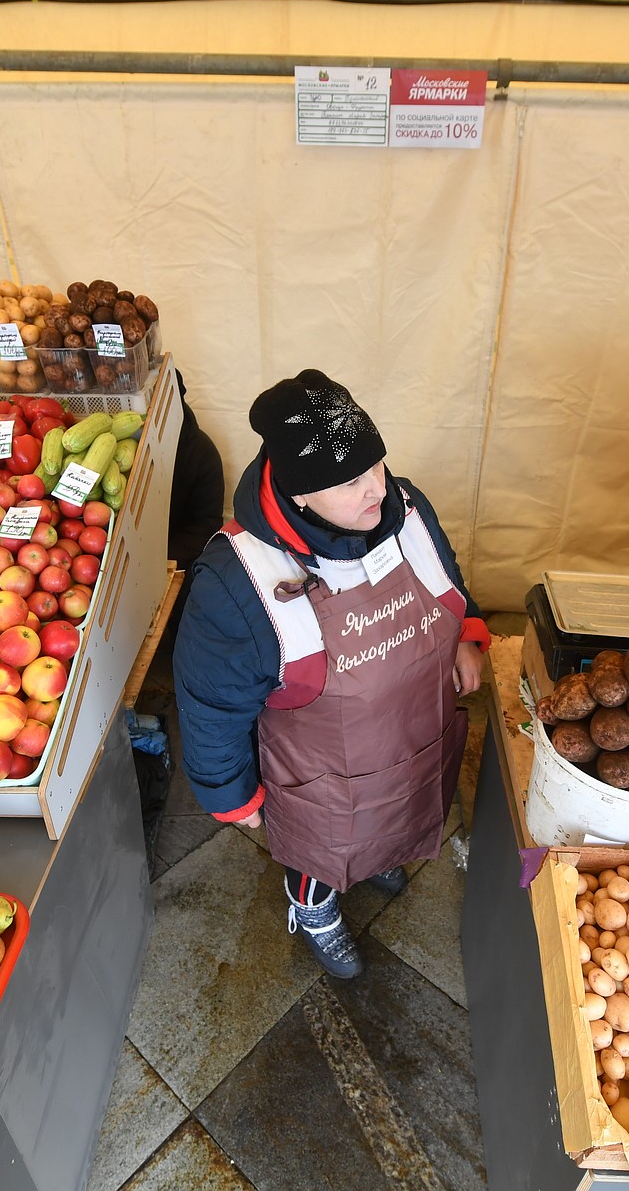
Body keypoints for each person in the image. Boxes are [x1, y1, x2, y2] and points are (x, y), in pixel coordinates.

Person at [173, 369, 489, 978]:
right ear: (300, 496)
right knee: (323, 847)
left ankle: (375, 855)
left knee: (393, 812)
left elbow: (446, 580)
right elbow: (211, 706)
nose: (377, 490)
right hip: (321, 776)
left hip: (413, 731)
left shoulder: (406, 506)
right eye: (350, 481)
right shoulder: (235, 579)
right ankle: (313, 906)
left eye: (377, 466)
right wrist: (232, 798)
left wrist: (467, 636)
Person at [166, 368, 226, 624]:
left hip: (178, 554)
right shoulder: (125, 445)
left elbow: (208, 524)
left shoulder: (200, 451)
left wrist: (157, 558)